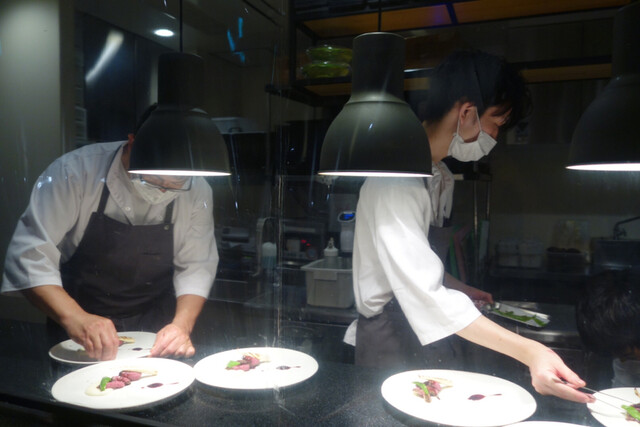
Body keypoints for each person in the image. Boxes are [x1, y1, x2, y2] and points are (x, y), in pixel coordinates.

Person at [349, 50, 593, 403]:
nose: (495, 134)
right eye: (496, 122)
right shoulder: (396, 182)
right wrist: (533, 352)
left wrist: (461, 288)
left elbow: (417, 265)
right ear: (466, 113)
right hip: (390, 335)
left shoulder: (438, 176)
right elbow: (423, 293)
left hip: (412, 328)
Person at [1, 106, 219, 360]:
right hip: (79, 325)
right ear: (132, 143)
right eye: (154, 179)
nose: (163, 190)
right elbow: (29, 256)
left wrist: (181, 326)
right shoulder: (75, 171)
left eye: (175, 184)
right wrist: (75, 318)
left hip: (153, 327)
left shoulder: (196, 187)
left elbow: (196, 265)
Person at [577, 268, 640, 387]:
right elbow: (623, 392)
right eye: (619, 355)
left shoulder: (630, 339)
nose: (622, 360)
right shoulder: (624, 347)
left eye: (630, 356)